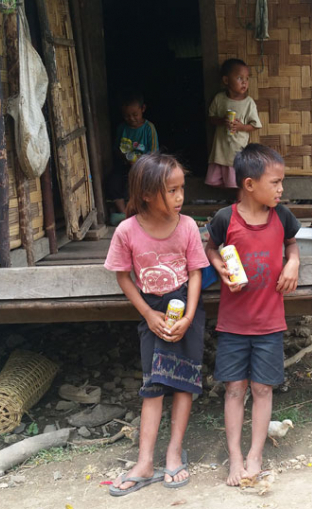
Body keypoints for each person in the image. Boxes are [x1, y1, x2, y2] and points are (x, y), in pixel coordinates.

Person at [104, 153, 208, 496]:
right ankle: (145, 462)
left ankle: (174, 453)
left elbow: (195, 273)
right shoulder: (127, 231)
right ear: (147, 194)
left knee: (184, 383)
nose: (180, 197)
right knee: (153, 385)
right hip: (152, 312)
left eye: (181, 189)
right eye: (172, 190)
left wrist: (190, 317)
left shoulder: (188, 227)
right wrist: (148, 315)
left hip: (184, 308)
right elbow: (123, 276)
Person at [205, 144, 300, 486]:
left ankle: (255, 454)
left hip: (270, 324)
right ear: (249, 185)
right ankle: (234, 457)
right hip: (233, 325)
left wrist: (294, 262)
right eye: (275, 182)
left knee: (262, 389)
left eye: (281, 182)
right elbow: (211, 247)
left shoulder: (282, 216)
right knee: (234, 389)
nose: (280, 189)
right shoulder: (225, 219)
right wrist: (220, 268)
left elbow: (291, 243)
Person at [206, 59, 262, 190]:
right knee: (219, 181)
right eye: (239, 78)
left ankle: (237, 203)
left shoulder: (249, 103)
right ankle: (225, 202)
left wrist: (241, 127)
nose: (244, 82)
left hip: (237, 149)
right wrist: (221, 121)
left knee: (236, 183)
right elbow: (211, 118)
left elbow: (255, 125)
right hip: (221, 149)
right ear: (226, 81)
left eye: (247, 78)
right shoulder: (219, 99)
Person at [107, 91, 159, 216]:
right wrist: (125, 158)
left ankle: (143, 211)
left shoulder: (148, 128)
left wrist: (139, 161)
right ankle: (124, 213)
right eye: (127, 116)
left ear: (143, 109)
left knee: (144, 184)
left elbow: (153, 152)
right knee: (113, 183)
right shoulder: (122, 128)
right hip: (125, 164)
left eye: (135, 114)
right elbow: (116, 149)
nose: (131, 118)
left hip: (145, 166)